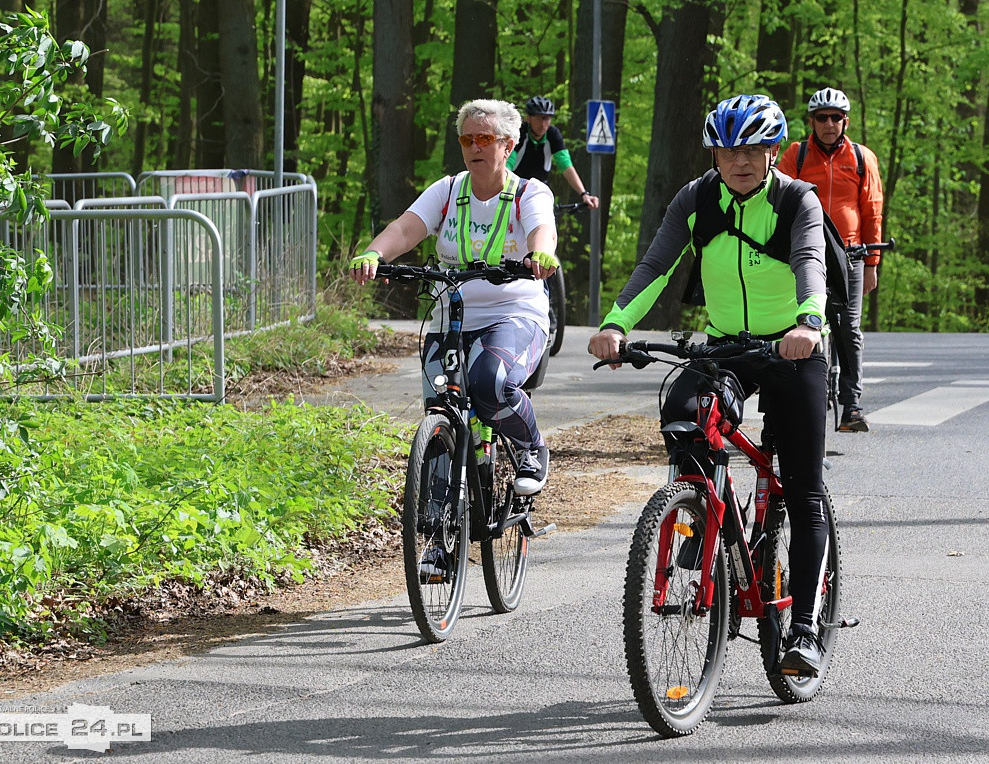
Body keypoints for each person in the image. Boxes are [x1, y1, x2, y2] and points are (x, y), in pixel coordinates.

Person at [588, 94, 830, 675]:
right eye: (728, 149)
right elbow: (657, 266)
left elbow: (809, 261)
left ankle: (804, 631)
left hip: (791, 347)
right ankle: (698, 514)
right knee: (684, 409)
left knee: (801, 486)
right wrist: (616, 324)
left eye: (752, 148)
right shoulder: (696, 199)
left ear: (773, 151)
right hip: (726, 345)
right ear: (715, 153)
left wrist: (809, 322)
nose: (740, 160)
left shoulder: (797, 200)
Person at [350, 99, 559, 510]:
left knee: (489, 382)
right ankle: (437, 536)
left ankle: (532, 447)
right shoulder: (447, 191)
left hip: (515, 314)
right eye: (467, 139)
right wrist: (375, 254)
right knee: (440, 415)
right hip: (452, 317)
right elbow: (406, 228)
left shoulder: (528, 192)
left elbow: (542, 229)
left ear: (509, 145)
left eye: (485, 138)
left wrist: (541, 254)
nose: (474, 147)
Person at [777, 87, 884, 433]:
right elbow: (778, 201)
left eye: (835, 117)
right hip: (809, 255)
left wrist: (872, 263)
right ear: (811, 121)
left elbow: (872, 212)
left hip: (852, 256)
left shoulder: (861, 157)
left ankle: (851, 405)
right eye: (821, 117)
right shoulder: (797, 154)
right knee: (813, 325)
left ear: (845, 121)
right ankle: (814, 396)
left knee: (849, 329)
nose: (828, 123)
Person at [507, 96, 601, 209]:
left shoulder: (553, 134)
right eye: (539, 118)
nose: (543, 124)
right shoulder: (520, 133)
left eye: (547, 119)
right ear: (528, 118)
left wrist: (584, 194)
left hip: (538, 191)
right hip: (515, 187)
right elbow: (508, 164)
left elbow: (565, 164)